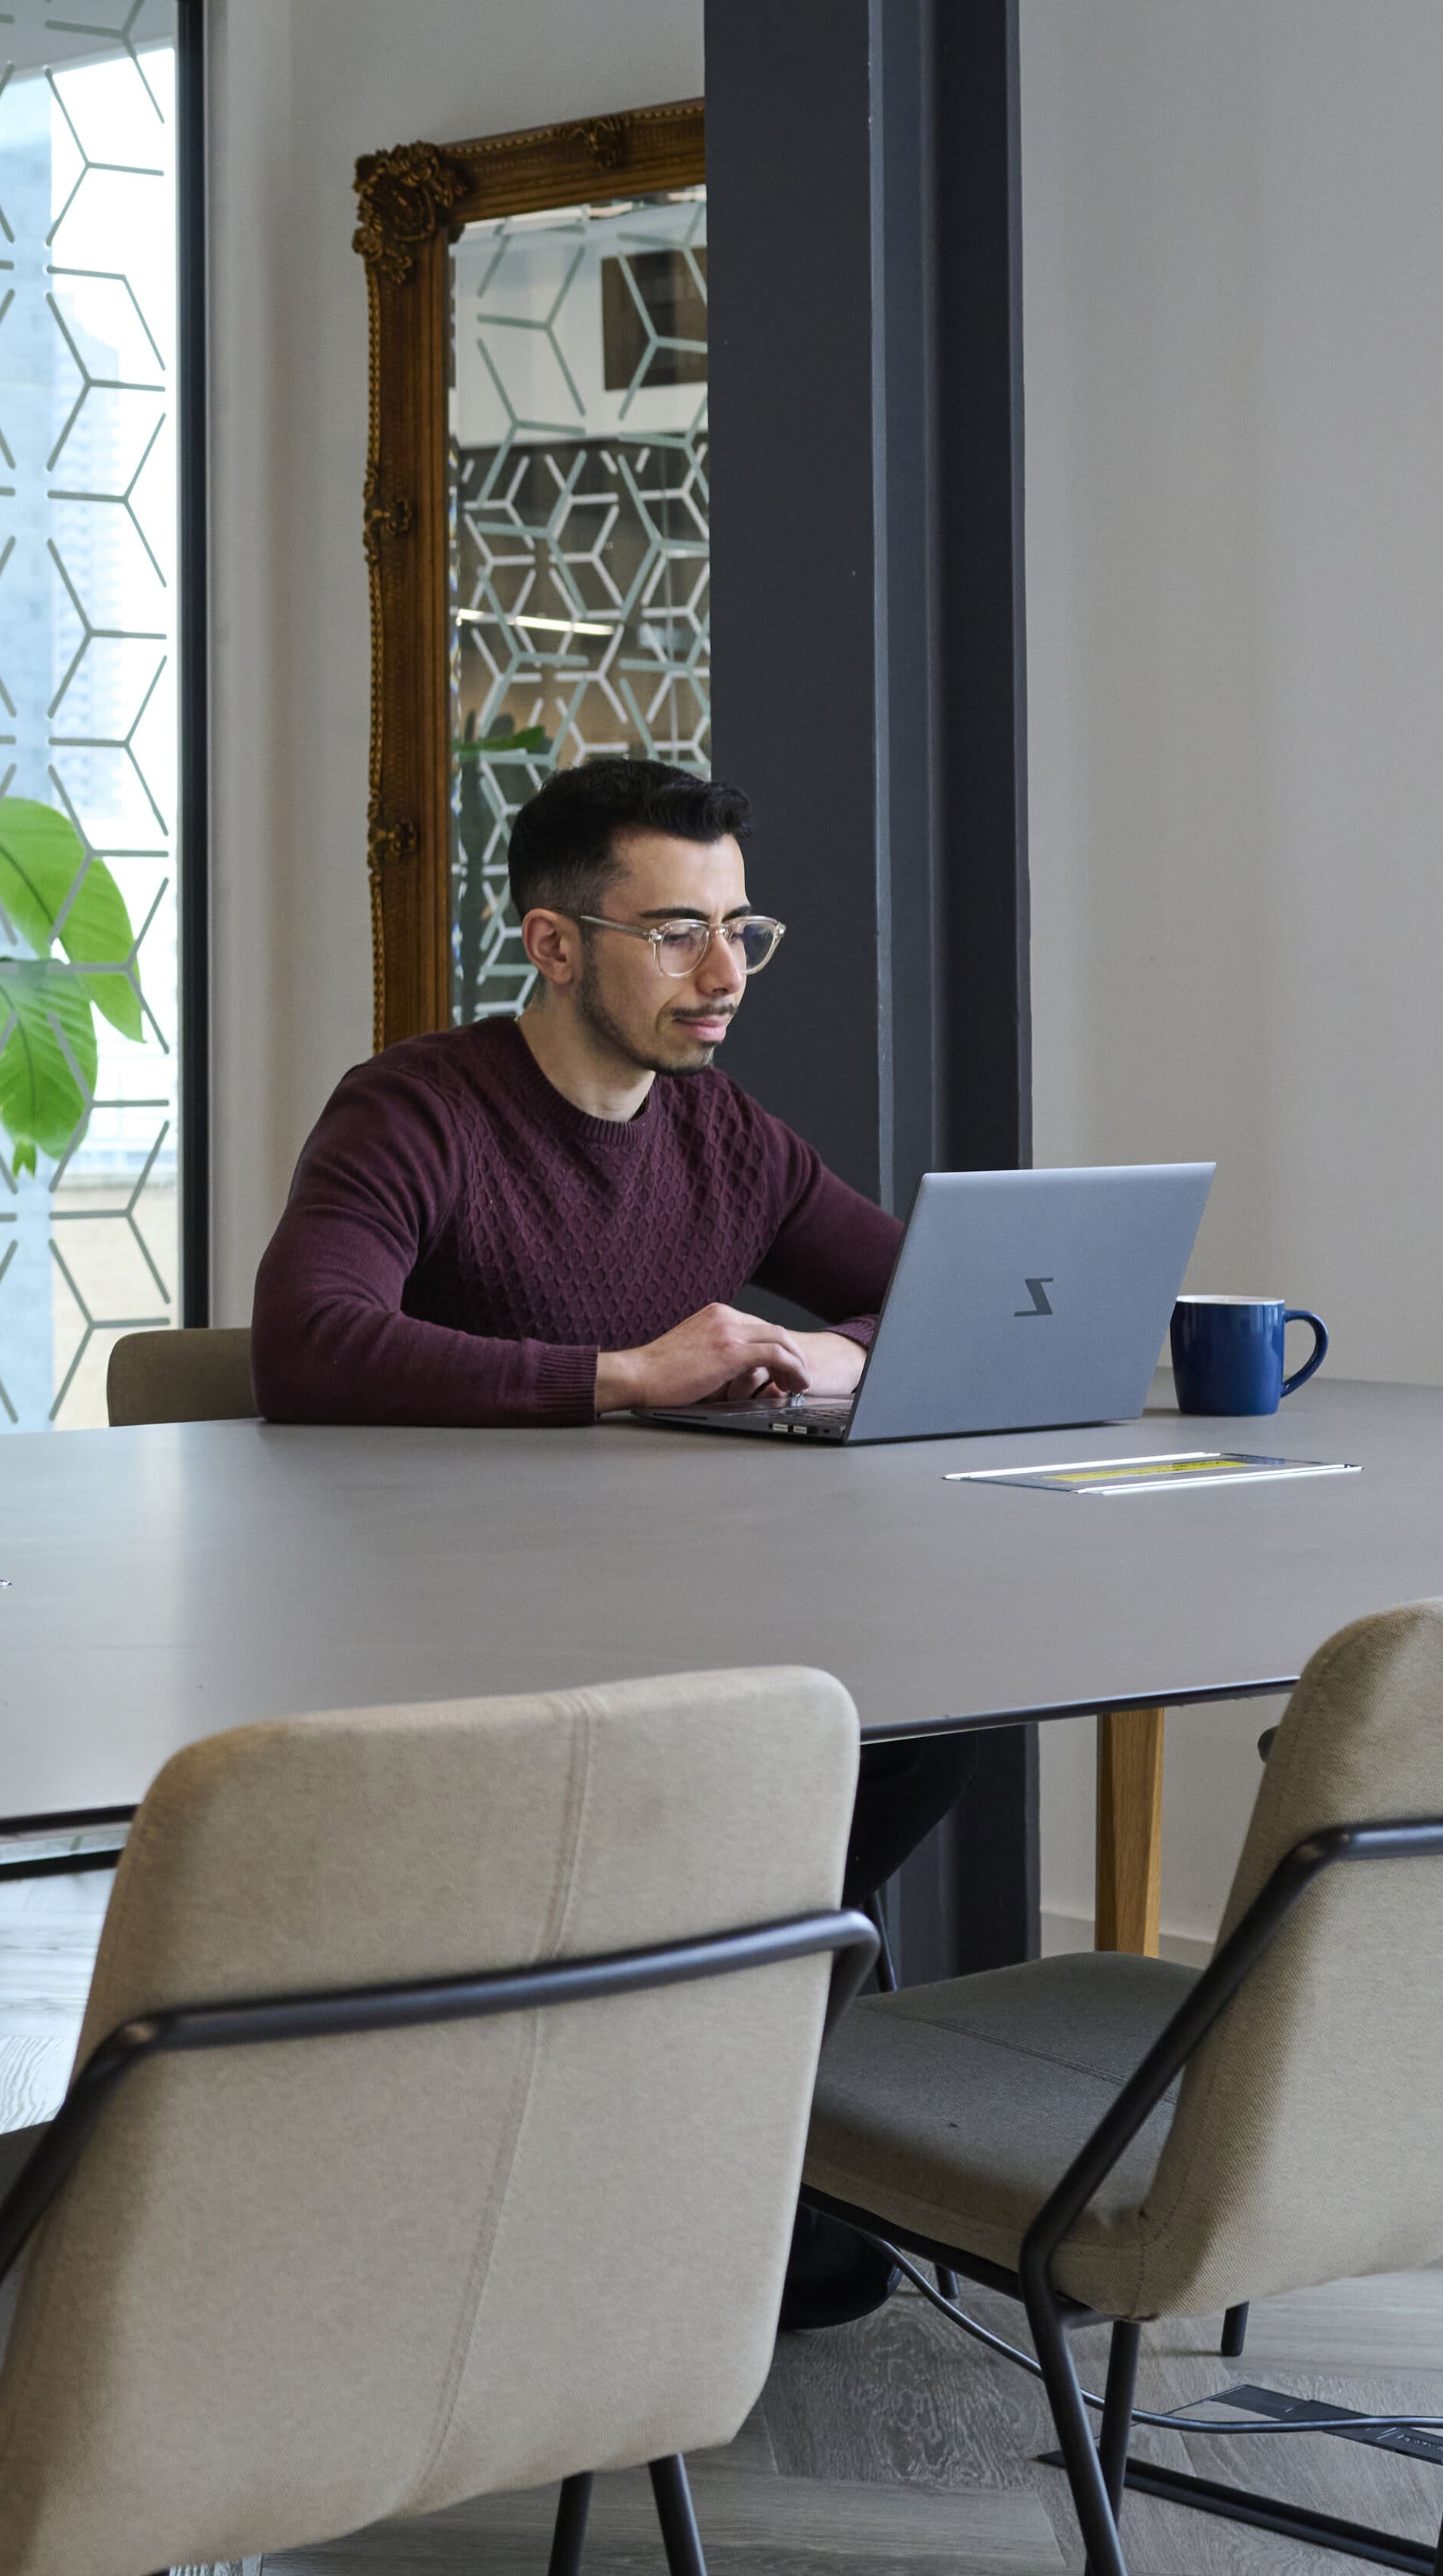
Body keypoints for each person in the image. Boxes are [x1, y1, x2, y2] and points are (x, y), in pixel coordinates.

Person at [247, 752, 950, 2334]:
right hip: (451, 1641)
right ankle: (637, 2138)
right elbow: (304, 1342)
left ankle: (702, 2117)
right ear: (553, 943)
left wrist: (836, 1348)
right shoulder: (413, 1109)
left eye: (738, 933)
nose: (721, 977)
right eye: (675, 934)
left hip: (673, 1619)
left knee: (925, 1728)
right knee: (784, 1758)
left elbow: (926, 1285)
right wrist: (617, 1375)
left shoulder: (724, 1135)